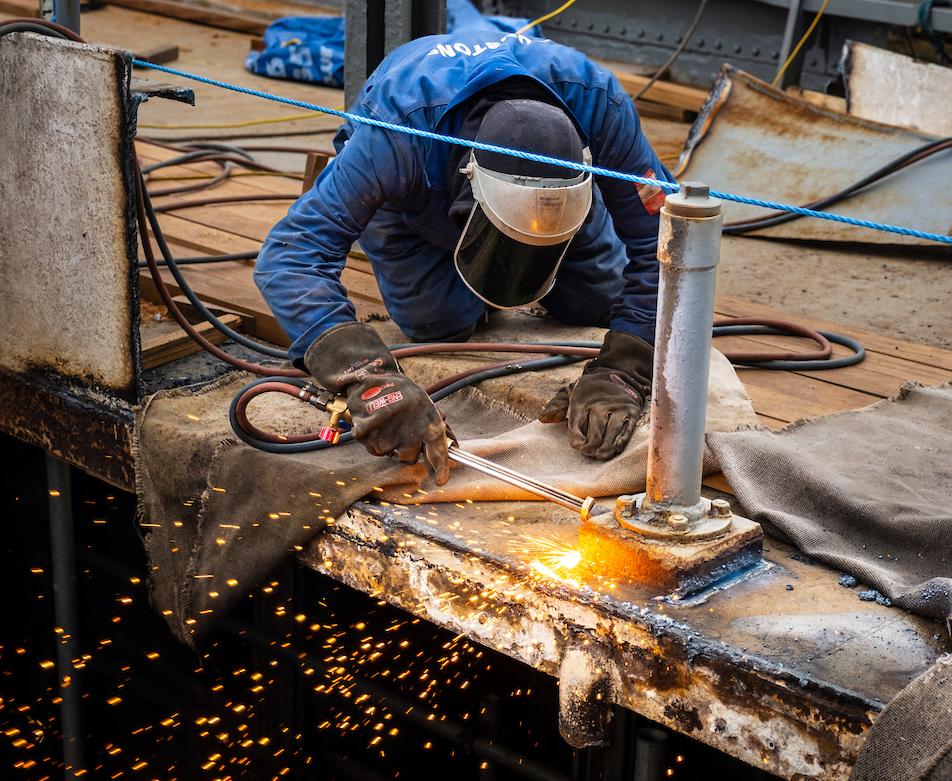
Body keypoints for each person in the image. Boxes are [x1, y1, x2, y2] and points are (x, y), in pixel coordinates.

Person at [253, 28, 675, 486]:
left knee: (598, 301)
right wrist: (365, 377)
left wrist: (625, 368)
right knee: (439, 323)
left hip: (559, 214)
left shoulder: (599, 106)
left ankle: (558, 247)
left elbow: (668, 242)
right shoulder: (395, 137)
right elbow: (291, 256)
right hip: (416, 205)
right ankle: (461, 281)